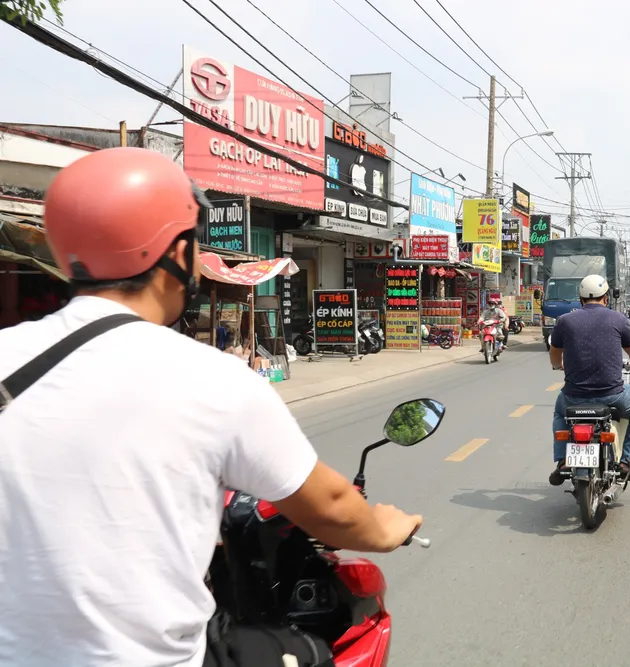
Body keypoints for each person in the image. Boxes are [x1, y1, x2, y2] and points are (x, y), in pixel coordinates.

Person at [0, 148, 422, 667]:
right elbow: (334, 508)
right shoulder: (211, 378)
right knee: (314, 651)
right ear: (176, 254)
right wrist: (385, 527)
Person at [548, 274, 630, 484]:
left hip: (573, 396)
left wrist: (559, 366)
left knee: (560, 412)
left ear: (581, 298)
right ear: (606, 298)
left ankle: (562, 461)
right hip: (613, 395)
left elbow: (555, 353)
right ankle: (628, 462)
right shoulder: (618, 319)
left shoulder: (564, 321)